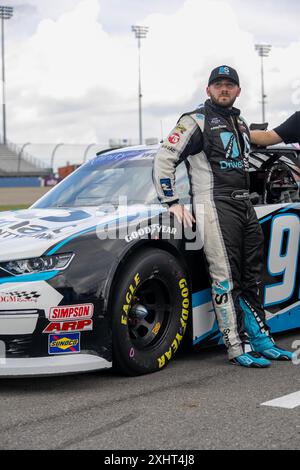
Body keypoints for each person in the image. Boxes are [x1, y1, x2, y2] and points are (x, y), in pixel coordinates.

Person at [153, 65, 293, 368]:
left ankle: (260, 339)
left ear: (238, 90)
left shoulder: (240, 124)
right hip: (214, 204)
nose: (224, 89)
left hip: (244, 205)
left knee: (252, 277)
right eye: (218, 84)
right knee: (225, 277)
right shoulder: (195, 121)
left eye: (230, 84)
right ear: (208, 90)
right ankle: (235, 344)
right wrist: (172, 200)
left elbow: (268, 141)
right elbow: (165, 158)